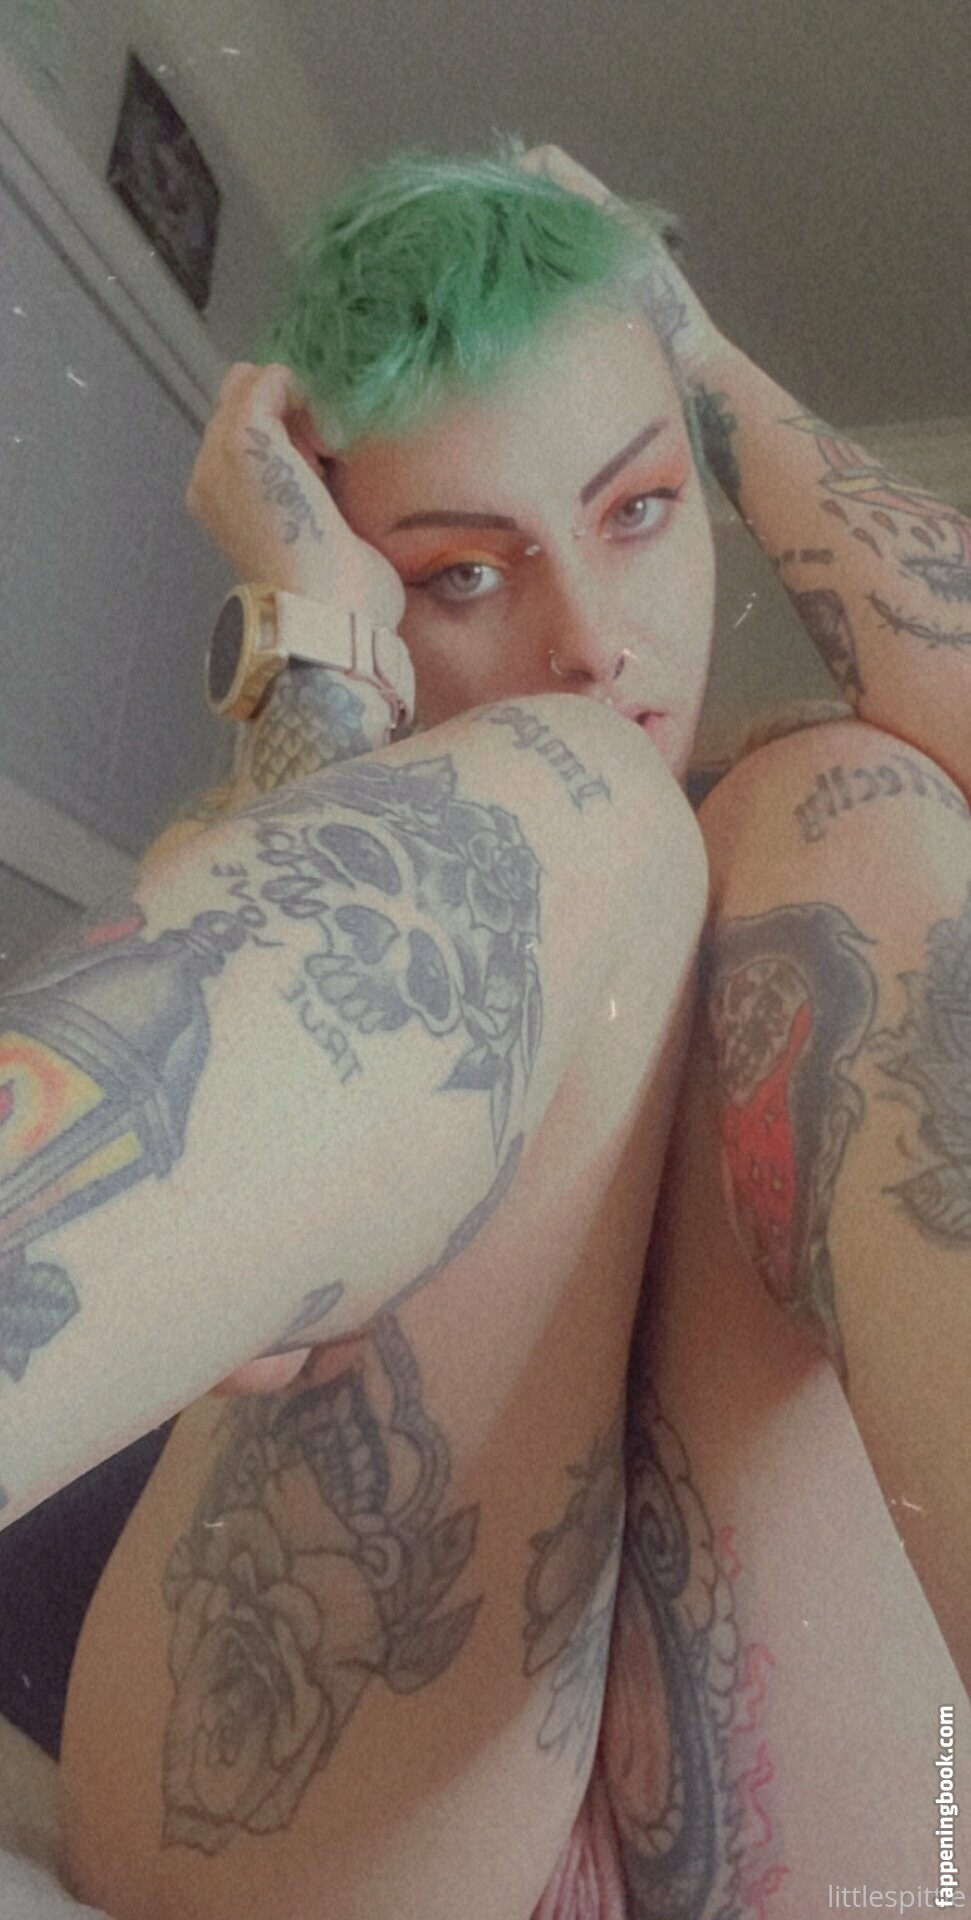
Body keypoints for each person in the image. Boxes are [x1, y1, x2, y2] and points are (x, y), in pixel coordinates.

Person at [1, 141, 967, 1920]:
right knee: (575, 807)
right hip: (325, 1812)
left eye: (639, 509)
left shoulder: (801, 855)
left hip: (842, 1831)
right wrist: (315, 652)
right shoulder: (292, 850)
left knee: (850, 810)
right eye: (460, 574)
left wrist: (696, 353)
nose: (593, 638)